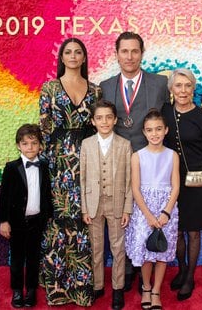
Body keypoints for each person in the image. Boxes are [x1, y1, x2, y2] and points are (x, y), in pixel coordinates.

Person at [100, 31, 202, 292]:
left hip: (155, 167)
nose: (130, 56)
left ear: (142, 53)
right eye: (124, 51)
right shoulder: (106, 86)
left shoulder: (158, 84)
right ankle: (130, 267)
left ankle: (152, 269)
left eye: (135, 51)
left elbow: (178, 108)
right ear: (117, 54)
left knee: (153, 218)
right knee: (125, 216)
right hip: (121, 163)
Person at [38, 38, 102, 307]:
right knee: (59, 221)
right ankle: (58, 287)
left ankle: (81, 288)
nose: (73, 56)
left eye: (78, 52)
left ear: (85, 58)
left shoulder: (96, 91)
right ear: (61, 57)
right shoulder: (49, 88)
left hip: (87, 162)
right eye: (68, 52)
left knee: (83, 221)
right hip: (58, 164)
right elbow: (43, 128)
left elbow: (101, 128)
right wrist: (45, 168)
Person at [161, 68, 202, 301]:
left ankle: (190, 278)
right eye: (178, 85)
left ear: (193, 88)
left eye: (188, 85)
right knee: (177, 231)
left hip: (199, 184)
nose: (183, 90)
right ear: (171, 89)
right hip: (173, 183)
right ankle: (181, 269)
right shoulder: (165, 112)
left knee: (194, 232)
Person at [80, 100, 133, 310]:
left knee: (118, 248)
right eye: (99, 118)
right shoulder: (86, 144)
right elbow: (82, 179)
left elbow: (129, 179)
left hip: (117, 203)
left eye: (108, 117)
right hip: (93, 204)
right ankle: (98, 284)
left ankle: (118, 289)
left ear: (115, 120)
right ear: (93, 121)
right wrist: (84, 208)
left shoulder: (124, 144)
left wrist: (128, 208)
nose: (104, 121)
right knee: (96, 248)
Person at [125, 109, 180, 310]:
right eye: (150, 130)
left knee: (162, 251)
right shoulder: (137, 156)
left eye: (158, 129)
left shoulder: (172, 156)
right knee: (147, 251)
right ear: (144, 132)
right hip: (143, 211)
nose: (154, 133)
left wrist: (165, 213)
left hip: (167, 210)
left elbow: (176, 187)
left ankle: (156, 290)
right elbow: (135, 188)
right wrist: (148, 215)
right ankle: (146, 287)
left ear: (165, 130)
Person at [0, 123, 53, 308]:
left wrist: (49, 216)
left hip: (37, 221)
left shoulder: (44, 166)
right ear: (18, 146)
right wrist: (4, 221)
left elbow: (47, 193)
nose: (30, 147)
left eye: (34, 143)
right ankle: (16, 291)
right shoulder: (11, 168)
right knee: (17, 259)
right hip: (17, 222)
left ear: (40, 145)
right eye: (25, 143)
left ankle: (30, 290)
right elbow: (4, 196)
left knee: (34, 258)